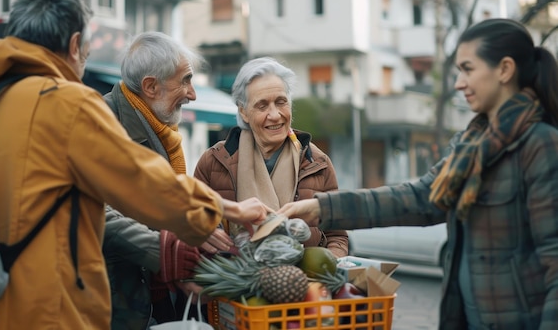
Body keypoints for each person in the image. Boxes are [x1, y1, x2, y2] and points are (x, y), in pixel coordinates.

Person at [0, 0, 267, 329]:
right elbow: (142, 180)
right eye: (87, 52)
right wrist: (228, 209)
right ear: (74, 44)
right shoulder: (66, 103)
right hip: (43, 309)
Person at [278, 18, 558, 330]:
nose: (458, 83)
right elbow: (419, 197)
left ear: (504, 70)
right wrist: (322, 208)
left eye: (468, 69)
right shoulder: (470, 144)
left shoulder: (541, 145)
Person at [102, 31, 234, 329]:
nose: (193, 94)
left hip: (153, 295)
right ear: (150, 86)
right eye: (185, 80)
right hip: (118, 302)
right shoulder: (103, 123)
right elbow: (96, 212)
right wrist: (165, 250)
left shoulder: (159, 128)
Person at [194, 57, 349, 258]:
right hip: (238, 285)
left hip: (305, 284)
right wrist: (205, 234)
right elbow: (191, 223)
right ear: (244, 112)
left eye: (281, 102)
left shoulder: (318, 163)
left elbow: (337, 236)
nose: (275, 115)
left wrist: (327, 267)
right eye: (262, 106)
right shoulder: (213, 162)